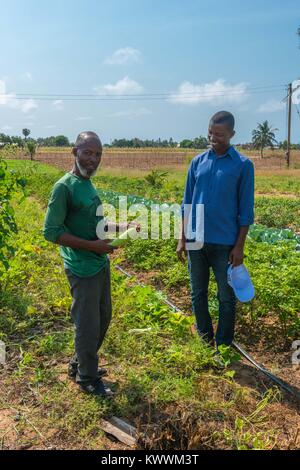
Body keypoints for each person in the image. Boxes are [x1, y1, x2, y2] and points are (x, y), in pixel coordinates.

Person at [43, 131, 138, 397]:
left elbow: (97, 225)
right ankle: (87, 377)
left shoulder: (87, 184)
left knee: (104, 315)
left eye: (98, 154)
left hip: (98, 262)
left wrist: (124, 227)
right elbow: (51, 232)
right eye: (88, 152)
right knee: (87, 323)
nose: (93, 159)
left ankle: (79, 362)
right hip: (82, 267)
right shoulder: (64, 187)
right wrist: (93, 246)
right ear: (74, 152)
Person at [177, 111, 254, 349]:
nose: (213, 137)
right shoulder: (197, 162)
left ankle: (223, 344)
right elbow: (187, 203)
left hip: (225, 244)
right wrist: (182, 238)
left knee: (226, 297)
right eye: (210, 132)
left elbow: (246, 211)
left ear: (231, 134)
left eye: (219, 134)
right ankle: (204, 339)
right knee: (197, 293)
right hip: (195, 240)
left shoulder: (243, 165)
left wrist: (239, 247)